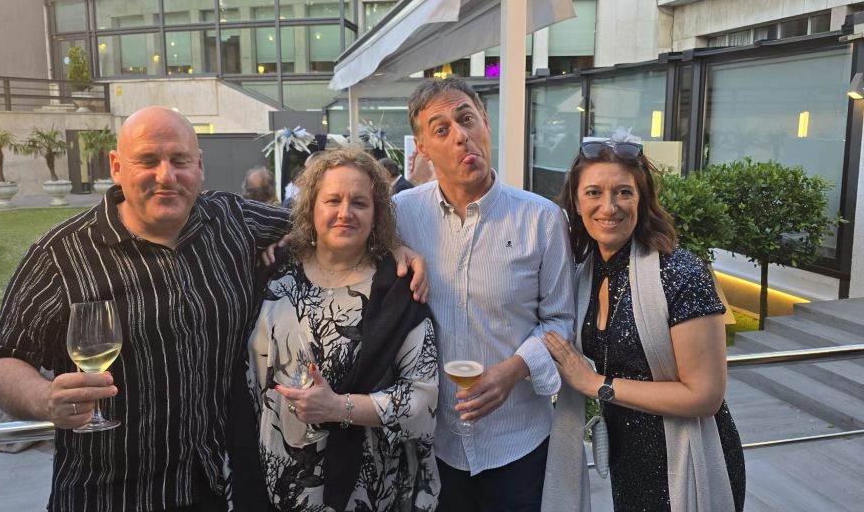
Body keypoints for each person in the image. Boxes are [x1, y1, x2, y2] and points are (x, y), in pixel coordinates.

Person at [0, 106, 293, 512]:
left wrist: (300, 239)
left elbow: (322, 222)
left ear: (199, 166)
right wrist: (44, 398)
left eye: (180, 160)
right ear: (116, 166)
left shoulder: (232, 221)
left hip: (212, 487)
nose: (166, 176)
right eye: (147, 161)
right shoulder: (60, 255)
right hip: (105, 496)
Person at [393, 78, 587, 512]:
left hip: (517, 438)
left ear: (485, 122)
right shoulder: (401, 215)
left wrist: (513, 371)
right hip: (434, 442)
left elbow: (560, 320)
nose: (461, 135)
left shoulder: (542, 219)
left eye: (467, 119)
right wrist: (392, 246)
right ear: (422, 148)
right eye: (441, 129)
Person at [544, 138, 745, 512]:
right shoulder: (585, 273)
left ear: (642, 200)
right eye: (594, 192)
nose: (609, 207)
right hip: (628, 459)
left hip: (688, 459)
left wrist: (596, 384)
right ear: (576, 202)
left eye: (624, 192)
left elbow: (705, 396)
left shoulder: (681, 274)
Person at [247, 147, 439, 512]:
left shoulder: (397, 289)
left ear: (376, 213)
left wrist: (339, 407)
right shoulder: (272, 270)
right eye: (333, 200)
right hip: (271, 481)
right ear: (311, 207)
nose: (345, 212)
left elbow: (423, 401)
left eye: (360, 203)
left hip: (362, 491)